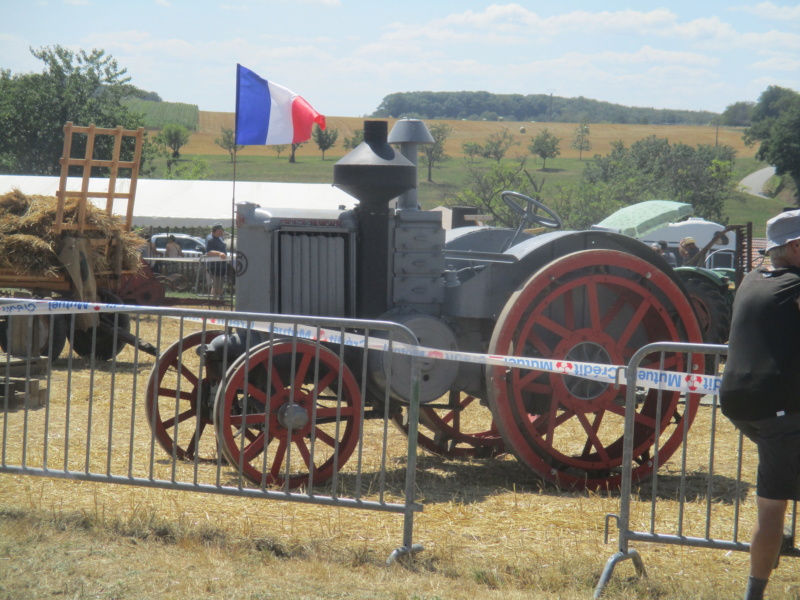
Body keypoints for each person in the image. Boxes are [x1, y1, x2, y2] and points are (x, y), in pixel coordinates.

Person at [719, 209, 800, 600]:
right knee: (771, 506)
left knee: (780, 479)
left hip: (737, 402)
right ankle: (755, 594)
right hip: (779, 408)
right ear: (797, 246)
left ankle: (780, 536)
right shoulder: (797, 286)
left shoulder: (750, 280)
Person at [205, 224, 228, 300]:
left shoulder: (220, 238)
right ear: (217, 230)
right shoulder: (210, 239)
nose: (222, 231)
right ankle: (219, 299)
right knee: (217, 284)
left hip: (222, 265)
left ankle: (214, 300)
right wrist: (219, 253)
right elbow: (208, 252)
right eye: (221, 230)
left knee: (217, 284)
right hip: (214, 266)